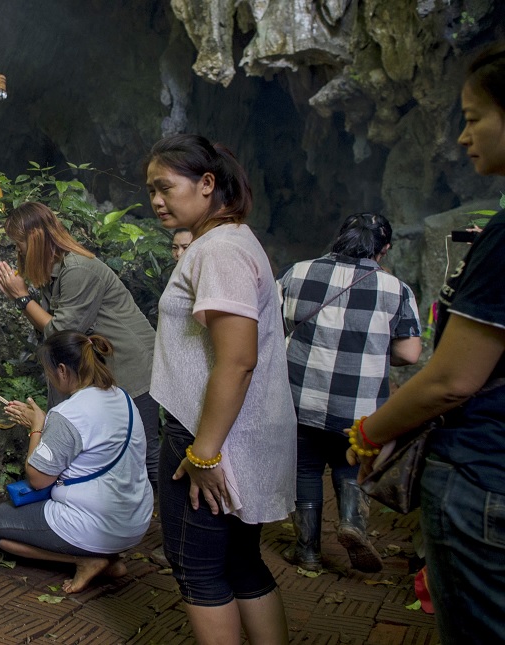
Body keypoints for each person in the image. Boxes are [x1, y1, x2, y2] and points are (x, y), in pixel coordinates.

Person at [348, 43, 505, 642]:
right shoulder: (392, 288)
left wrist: (371, 431)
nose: (464, 138)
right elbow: (413, 353)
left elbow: (449, 379)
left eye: (472, 118)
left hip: (483, 475)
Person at [147, 134, 295, 645]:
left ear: (207, 184)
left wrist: (203, 454)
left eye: (165, 187)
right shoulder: (228, 241)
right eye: (150, 191)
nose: (156, 201)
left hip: (209, 440)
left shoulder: (220, 250)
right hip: (228, 434)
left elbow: (237, 360)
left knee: (199, 569)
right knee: (240, 562)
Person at [278, 213, 422, 573]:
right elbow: (409, 353)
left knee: (306, 468)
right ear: (384, 249)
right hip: (358, 407)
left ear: (339, 237)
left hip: (300, 398)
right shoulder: (395, 289)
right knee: (348, 462)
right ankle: (353, 524)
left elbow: (274, 324)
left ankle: (307, 551)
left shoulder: (297, 272)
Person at [0, 202, 160, 488]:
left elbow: (61, 331)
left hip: (131, 367)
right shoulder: (52, 273)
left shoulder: (78, 270)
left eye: (19, 245)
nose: (17, 252)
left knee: (145, 450)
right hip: (103, 372)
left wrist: (21, 298)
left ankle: (165, 520)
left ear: (36, 239)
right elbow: (51, 330)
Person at [0, 330, 153, 593]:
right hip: (135, 519)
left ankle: (86, 559)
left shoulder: (68, 414)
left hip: (94, 524)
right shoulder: (123, 398)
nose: (50, 377)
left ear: (62, 370)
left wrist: (37, 426)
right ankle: (111, 558)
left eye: (49, 371)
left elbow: (38, 480)